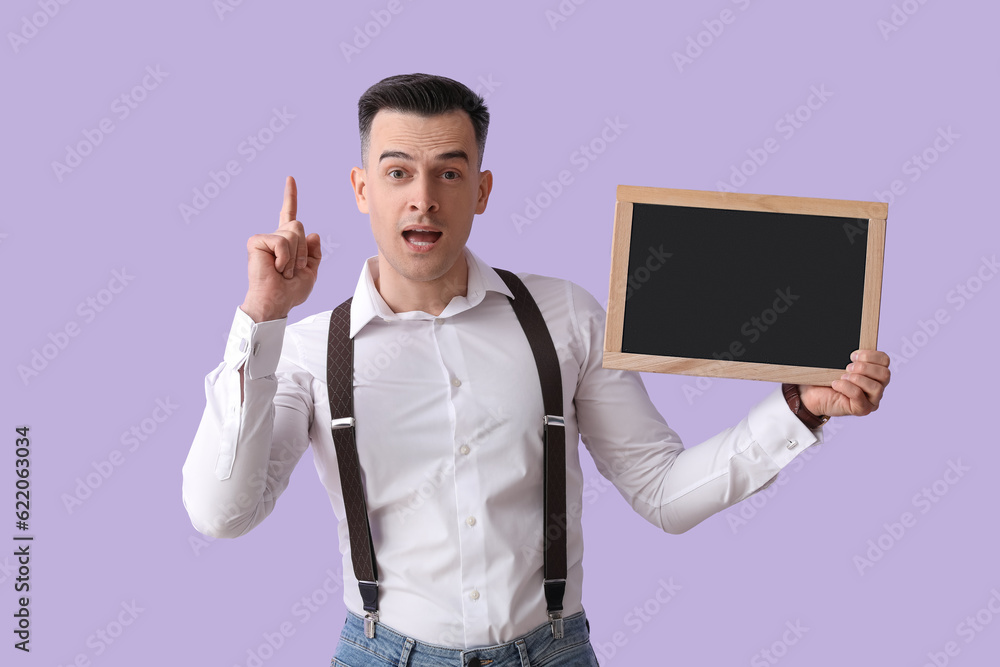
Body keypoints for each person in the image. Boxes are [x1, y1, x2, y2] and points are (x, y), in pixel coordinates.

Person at [182, 73, 890, 667]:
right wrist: (261, 318)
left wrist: (799, 409)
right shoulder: (305, 349)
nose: (423, 197)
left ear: (482, 189)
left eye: (448, 172)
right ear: (362, 188)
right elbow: (223, 512)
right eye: (397, 172)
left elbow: (665, 493)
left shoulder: (565, 317)